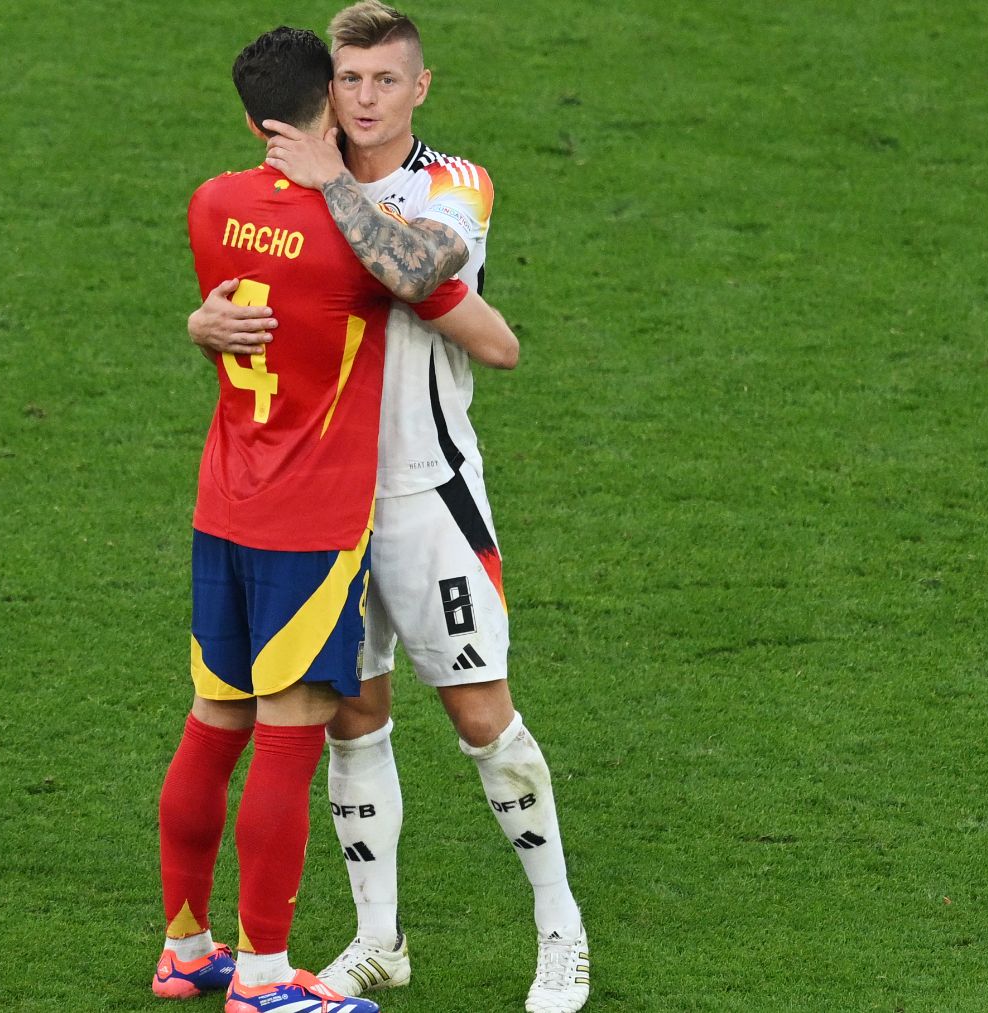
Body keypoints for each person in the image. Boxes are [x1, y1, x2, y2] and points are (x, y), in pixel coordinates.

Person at [188, 5, 590, 1013]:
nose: (363, 100)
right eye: (349, 81)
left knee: (478, 712)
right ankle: (378, 937)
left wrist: (331, 188)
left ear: (421, 87)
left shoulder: (451, 184)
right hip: (314, 512)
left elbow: (418, 273)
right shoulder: (283, 197)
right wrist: (205, 322)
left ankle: (561, 928)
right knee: (349, 716)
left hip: (424, 493)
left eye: (383, 81)